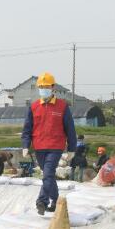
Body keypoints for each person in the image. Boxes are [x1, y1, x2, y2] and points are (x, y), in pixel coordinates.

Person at [21, 73, 77, 215]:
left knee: (47, 175)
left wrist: (72, 148)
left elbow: (70, 129)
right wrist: (25, 145)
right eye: (41, 86)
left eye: (46, 86)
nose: (43, 89)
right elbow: (27, 128)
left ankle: (42, 201)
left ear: (53, 88)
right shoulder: (33, 107)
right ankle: (57, 201)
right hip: (39, 146)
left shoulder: (62, 107)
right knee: (49, 176)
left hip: (55, 146)